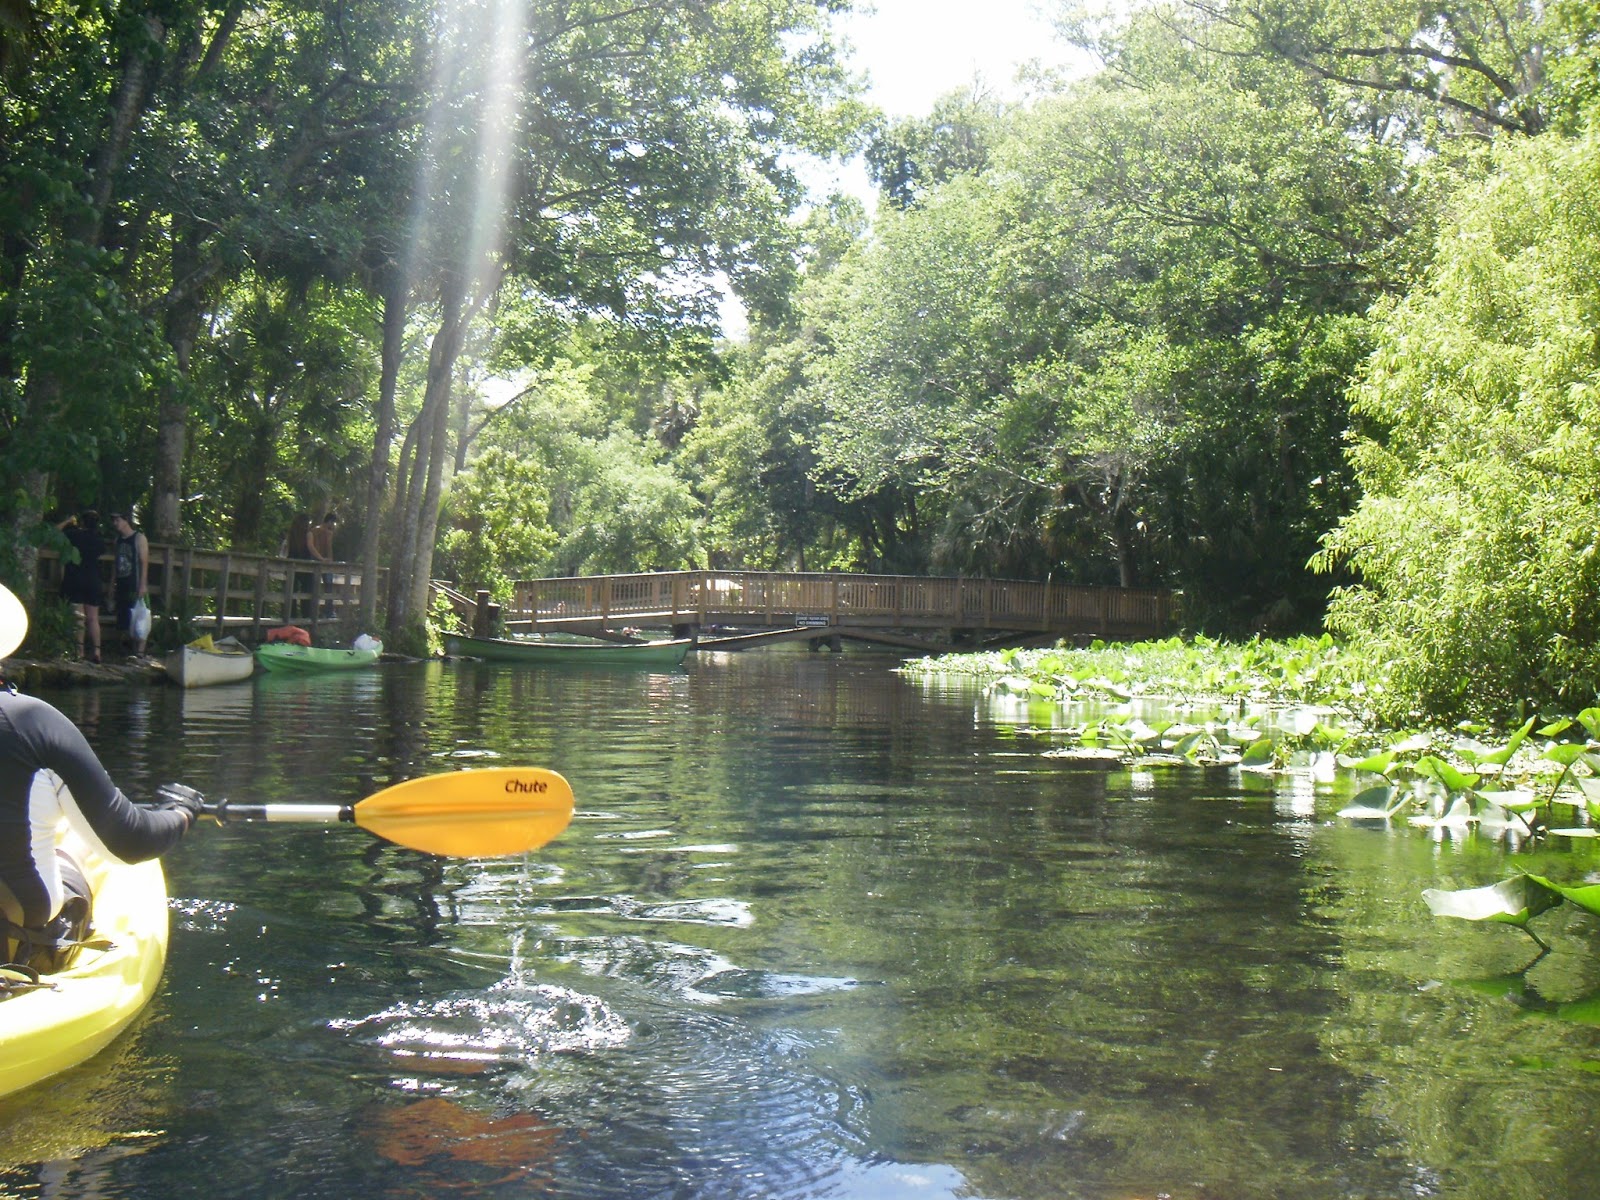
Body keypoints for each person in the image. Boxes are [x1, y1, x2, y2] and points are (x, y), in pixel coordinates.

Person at [0, 582, 201, 974]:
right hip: (13, 950)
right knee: (81, 846)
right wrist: (180, 814)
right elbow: (129, 840)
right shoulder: (30, 722)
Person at [57, 510, 105, 664]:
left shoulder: (73, 535)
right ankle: (97, 651)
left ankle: (80, 650)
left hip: (75, 578)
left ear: (82, 522)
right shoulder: (99, 539)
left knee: (78, 617)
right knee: (93, 618)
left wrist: (67, 522)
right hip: (93, 579)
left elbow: (54, 533)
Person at [108, 511, 149, 659]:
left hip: (135, 582)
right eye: (113, 521)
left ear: (126, 520)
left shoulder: (139, 538)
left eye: (117, 520)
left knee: (139, 617)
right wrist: (111, 585)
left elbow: (144, 562)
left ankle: (140, 653)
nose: (115, 524)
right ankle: (126, 651)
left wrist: (143, 585)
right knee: (123, 618)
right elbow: (115, 563)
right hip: (121, 583)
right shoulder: (117, 540)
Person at [310, 511, 339, 618]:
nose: (333, 526)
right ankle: (318, 612)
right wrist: (323, 559)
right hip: (318, 562)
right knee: (321, 586)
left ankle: (328, 611)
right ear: (329, 521)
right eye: (333, 523)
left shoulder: (326, 532)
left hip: (324, 563)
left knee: (328, 586)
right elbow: (314, 547)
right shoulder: (315, 531)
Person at [285, 512, 314, 618]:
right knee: (307, 591)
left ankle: (290, 615)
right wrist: (322, 559)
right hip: (305, 564)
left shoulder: (292, 533)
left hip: (291, 562)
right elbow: (310, 548)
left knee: (291, 590)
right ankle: (306, 615)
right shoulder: (307, 534)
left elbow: (288, 549)